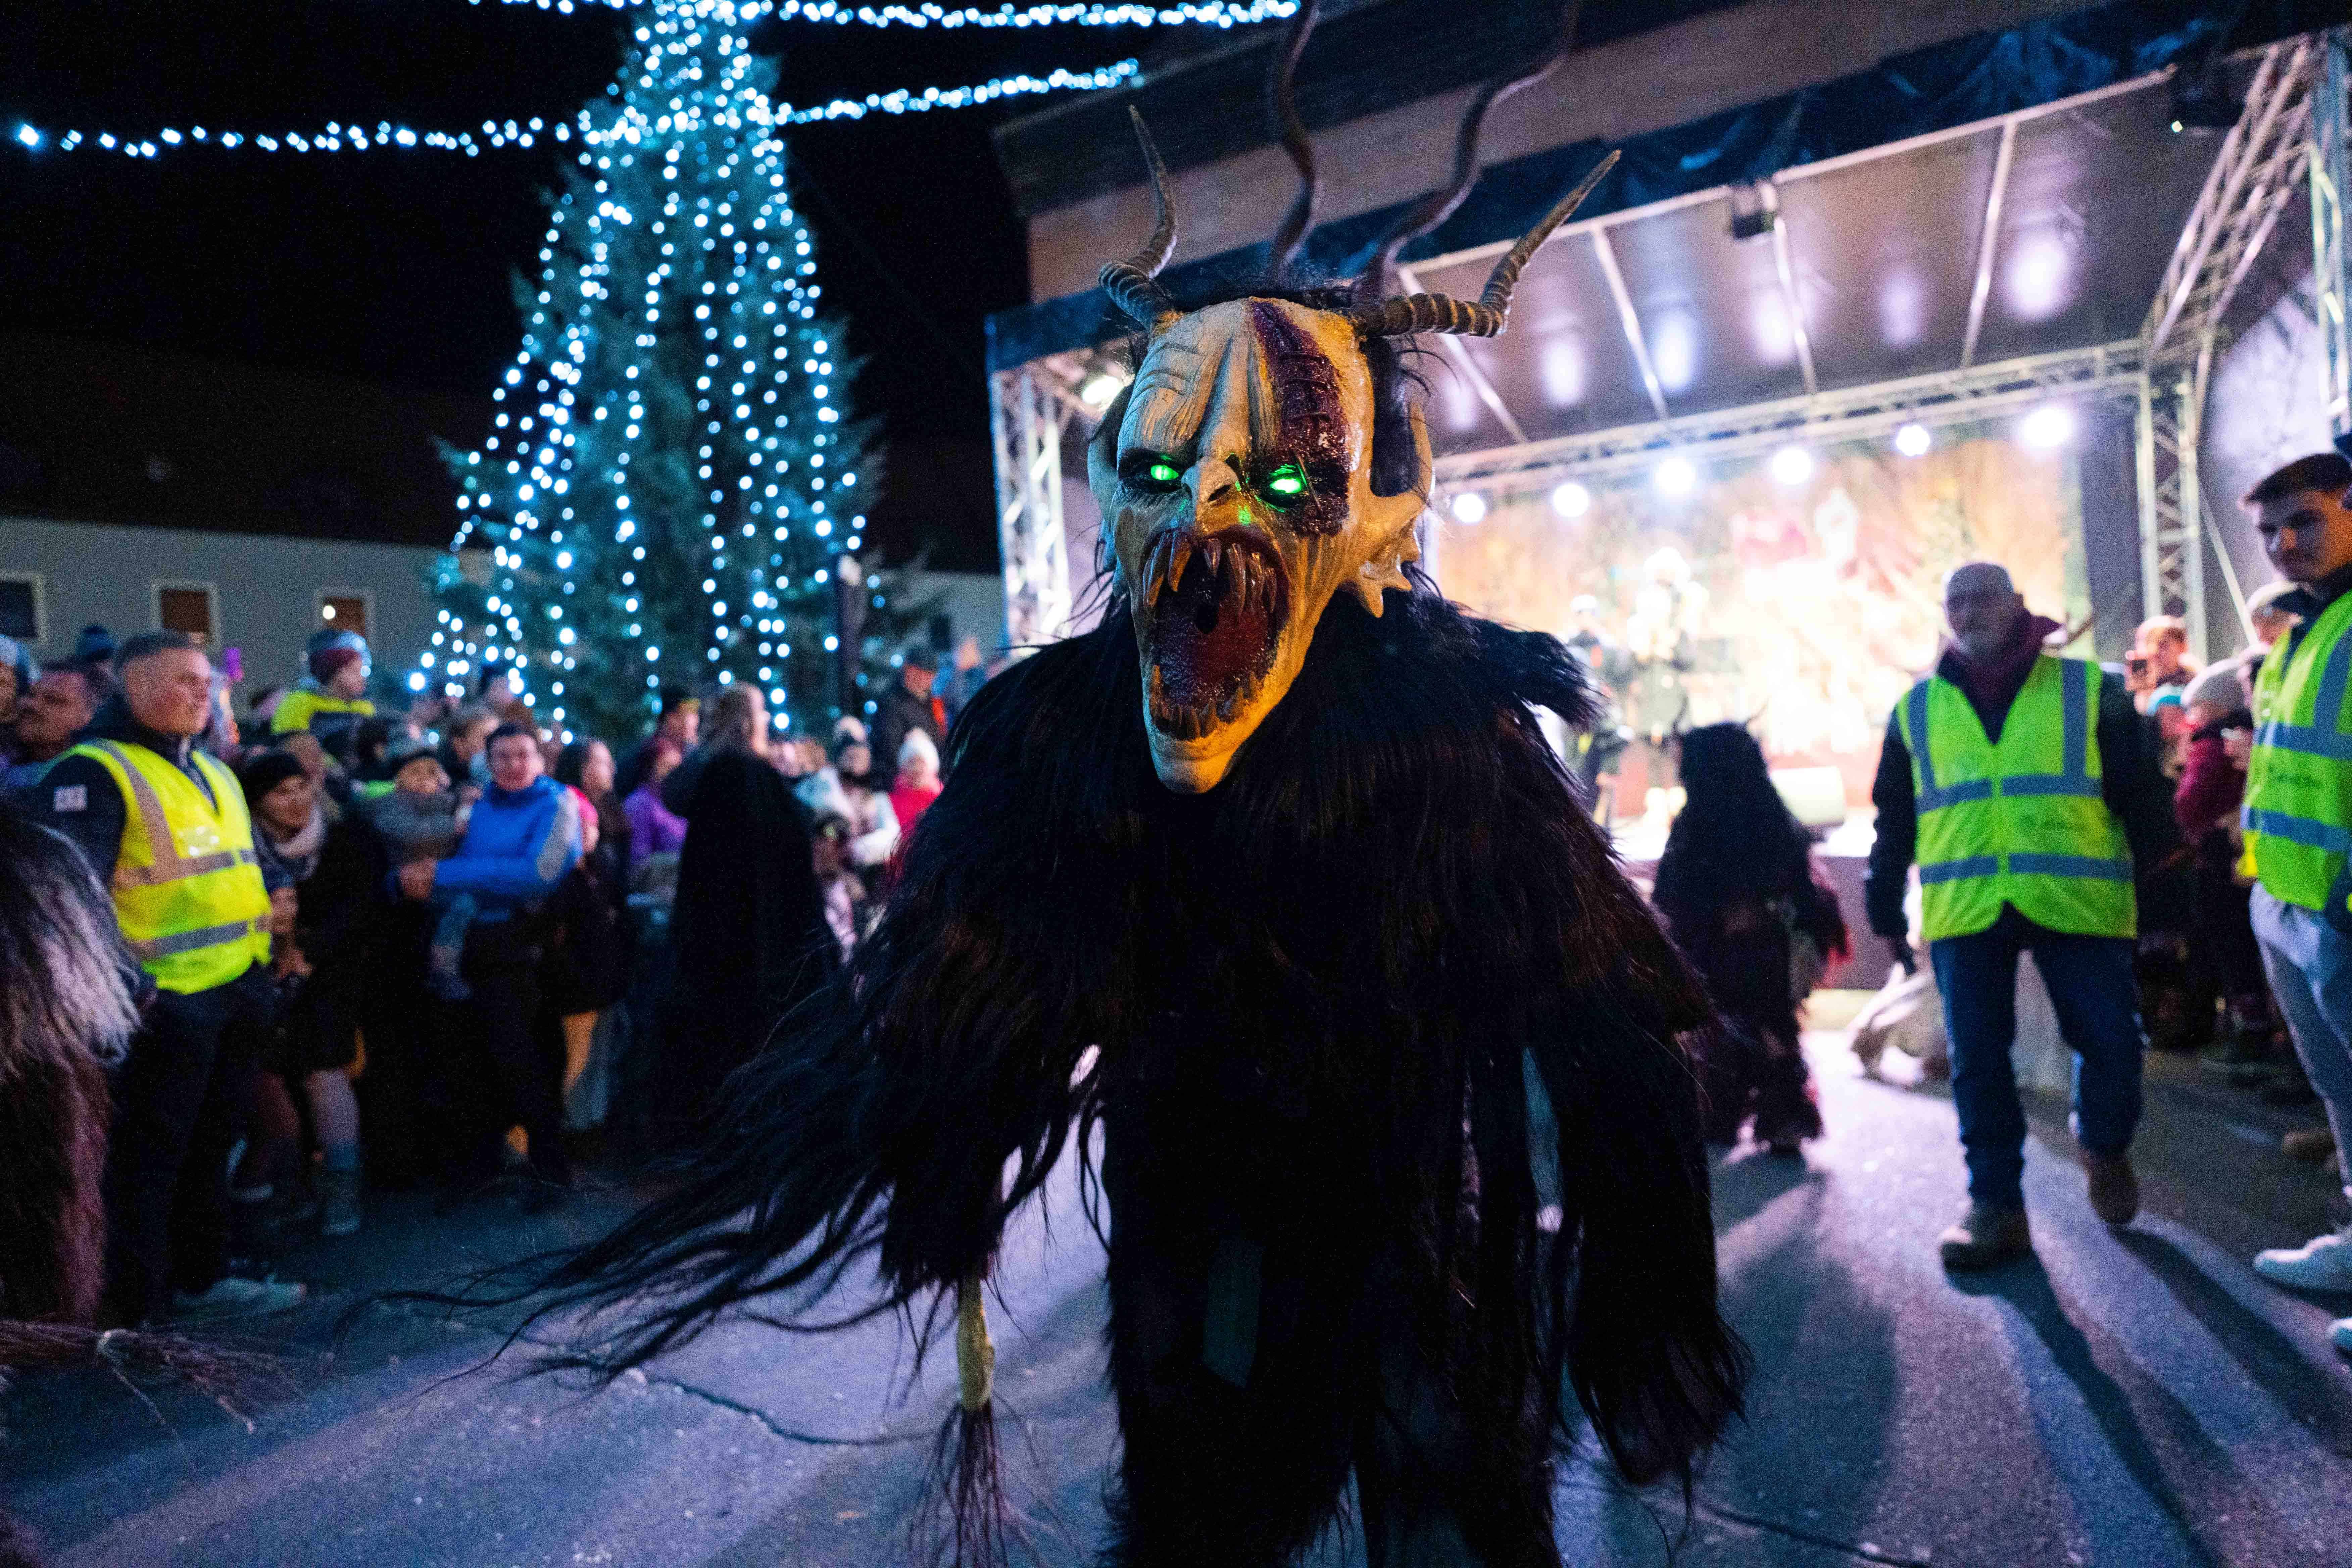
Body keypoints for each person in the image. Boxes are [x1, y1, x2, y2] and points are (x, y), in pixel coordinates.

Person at [1865, 562, 2177, 1269]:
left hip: (2078, 899)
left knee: (2112, 1044)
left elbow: (2144, 796)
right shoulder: (1915, 709)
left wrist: (2166, 897)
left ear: (2017, 604)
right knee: (1977, 1061)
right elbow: (1895, 814)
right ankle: (1995, 1206)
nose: (1968, 612)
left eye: (1983, 598)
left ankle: (2103, 1142)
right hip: (1967, 904)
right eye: (1956, 602)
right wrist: (1882, 894)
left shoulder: (2089, 690)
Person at [31, 631, 301, 1323]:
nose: (202, 692)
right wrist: (133, 987)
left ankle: (201, 1279)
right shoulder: (93, 772)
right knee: (150, 1162)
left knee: (209, 1149)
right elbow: (69, 898)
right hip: (165, 1005)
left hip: (233, 990)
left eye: (206, 681)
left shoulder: (210, 768)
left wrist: (277, 892)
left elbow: (249, 856)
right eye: (184, 680)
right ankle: (137, 1312)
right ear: (136, 688)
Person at [2233, 451, 2352, 1350]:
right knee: (2339, 1090)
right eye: (2270, 530)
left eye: (2303, 520)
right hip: (2291, 901)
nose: (2282, 544)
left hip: (2339, 909)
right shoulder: (2304, 630)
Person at [399, 723, 581, 1202]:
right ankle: (481, 1165)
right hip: (467, 944)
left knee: (521, 1060)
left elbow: (538, 873)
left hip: (520, 947)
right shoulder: (479, 805)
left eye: (523, 755)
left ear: (539, 760)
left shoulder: (556, 804)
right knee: (473, 1059)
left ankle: (551, 1169)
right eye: (503, 756)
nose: (514, 765)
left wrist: (446, 875)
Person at [1653, 722, 1848, 1155]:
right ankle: (1779, 1113)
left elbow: (1671, 896)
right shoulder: (1768, 817)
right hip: (1757, 954)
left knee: (1733, 1030)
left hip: (1727, 955)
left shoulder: (1699, 825)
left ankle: (1738, 1111)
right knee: (1767, 1029)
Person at [651, 684, 829, 1149]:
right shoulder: (745, 775)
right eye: (763, 712)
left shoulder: (716, 772)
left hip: (713, 929)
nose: (769, 720)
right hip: (755, 931)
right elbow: (782, 841)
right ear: (748, 722)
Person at [238, 748, 377, 1237]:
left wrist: (311, 951)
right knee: (274, 1083)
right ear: (257, 802)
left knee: (325, 1075)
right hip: (265, 976)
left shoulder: (342, 839)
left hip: (331, 974)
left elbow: (359, 906)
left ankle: (342, 1190)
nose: (297, 800)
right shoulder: (243, 847)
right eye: (281, 792)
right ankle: (288, 1186)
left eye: (302, 787)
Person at [2167, 661, 2276, 1084]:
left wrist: (2183, 781)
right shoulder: (2239, 737)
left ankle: (2254, 1035)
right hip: (2244, 858)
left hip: (2228, 860)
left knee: (2234, 948)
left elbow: (2191, 803)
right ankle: (2256, 1031)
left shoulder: (2216, 741)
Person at [796, 719, 898, 873]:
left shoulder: (876, 796)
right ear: (839, 756)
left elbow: (893, 837)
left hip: (868, 873)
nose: (856, 762)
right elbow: (818, 828)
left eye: (861, 757)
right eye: (851, 757)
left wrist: (858, 849)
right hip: (826, 871)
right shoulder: (818, 789)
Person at [272, 628, 377, 762]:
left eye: (361, 671)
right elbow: (294, 749)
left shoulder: (366, 707)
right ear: (331, 671)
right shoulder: (299, 702)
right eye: (352, 671)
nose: (361, 678)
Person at [2, 664, 107, 796]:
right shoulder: (7, 757)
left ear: (91, 715)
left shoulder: (95, 778)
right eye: (30, 694)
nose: (30, 704)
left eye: (53, 700)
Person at [868, 643, 945, 786]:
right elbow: (889, 747)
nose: (930, 678)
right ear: (909, 670)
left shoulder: (933, 702)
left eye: (932, 674)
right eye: (925, 672)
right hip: (902, 782)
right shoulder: (891, 703)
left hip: (933, 780)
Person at [620, 735, 688, 883]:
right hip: (655, 892)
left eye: (678, 771)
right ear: (650, 768)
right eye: (669, 769)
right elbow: (638, 866)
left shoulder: (680, 804)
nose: (675, 777)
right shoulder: (640, 804)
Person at [614, 688, 700, 804]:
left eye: (695, 714)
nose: (694, 721)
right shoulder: (661, 753)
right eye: (688, 714)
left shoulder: (681, 751)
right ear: (670, 718)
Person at [2125, 615, 2198, 714]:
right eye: (2147, 644)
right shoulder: (2130, 691)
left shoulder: (2193, 685)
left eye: (2162, 644)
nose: (2154, 652)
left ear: (2182, 647)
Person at [889, 728, 943, 841]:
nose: (917, 768)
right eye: (912, 762)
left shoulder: (941, 798)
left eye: (922, 762)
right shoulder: (890, 801)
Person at [435, 704, 498, 792]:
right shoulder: (436, 779)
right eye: (487, 738)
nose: (496, 744)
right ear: (459, 743)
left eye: (498, 737)